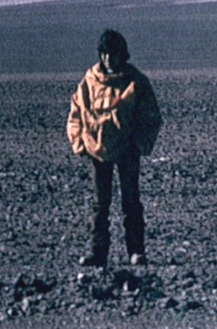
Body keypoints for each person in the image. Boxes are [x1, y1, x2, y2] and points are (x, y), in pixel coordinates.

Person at [67, 29, 162, 268]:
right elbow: (76, 112)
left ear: (122, 54)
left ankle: (136, 251)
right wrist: (80, 143)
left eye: (113, 52)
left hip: (127, 149)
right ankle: (97, 252)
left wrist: (139, 144)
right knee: (100, 204)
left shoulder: (135, 82)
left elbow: (151, 116)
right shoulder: (89, 81)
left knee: (130, 201)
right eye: (105, 52)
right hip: (97, 149)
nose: (109, 58)